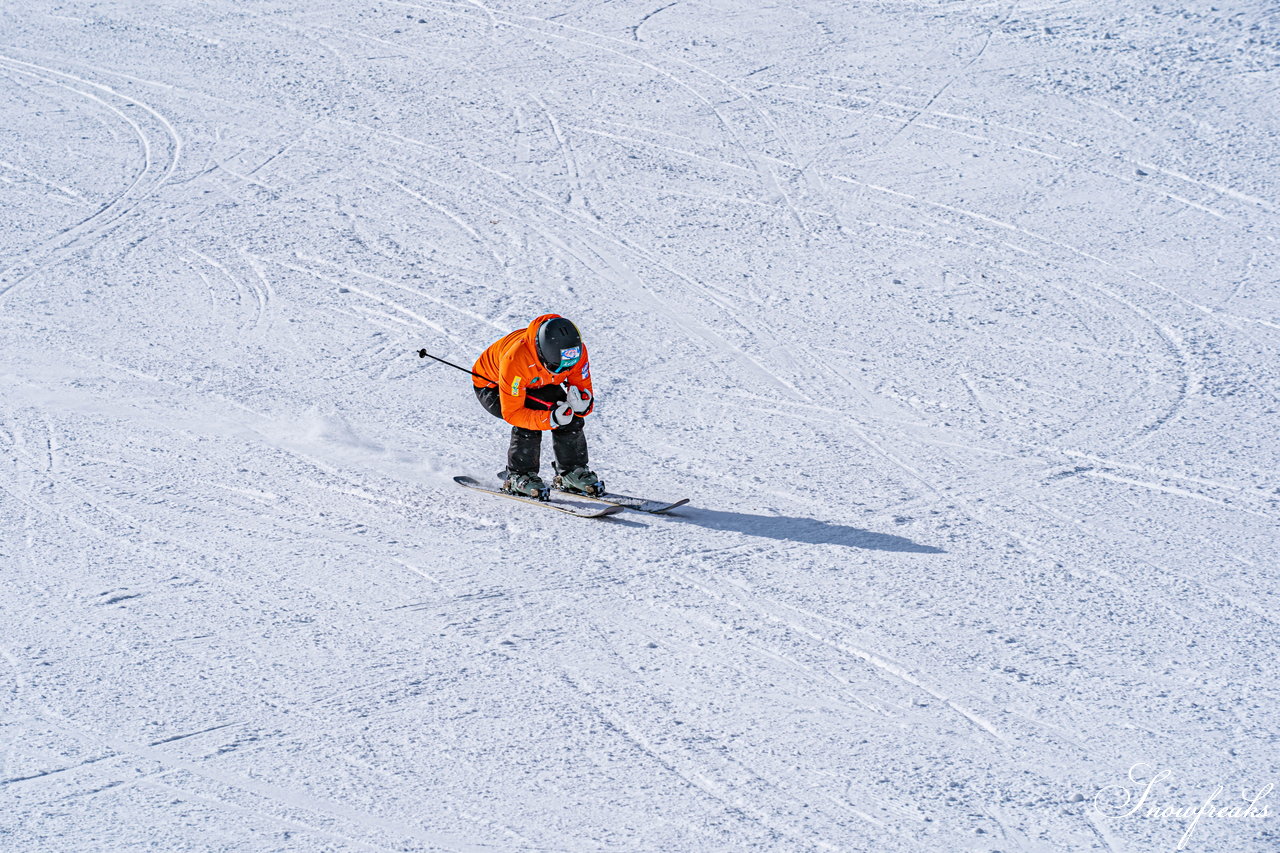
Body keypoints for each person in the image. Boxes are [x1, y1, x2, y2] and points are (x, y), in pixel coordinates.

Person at [472, 314, 602, 499]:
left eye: (567, 368)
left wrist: (582, 405)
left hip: (539, 381)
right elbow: (514, 413)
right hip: (493, 388)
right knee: (532, 417)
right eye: (557, 367)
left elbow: (582, 388)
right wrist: (551, 419)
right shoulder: (515, 359)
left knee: (570, 413)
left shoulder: (574, 353)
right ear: (542, 355)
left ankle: (572, 471)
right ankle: (519, 474)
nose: (564, 373)